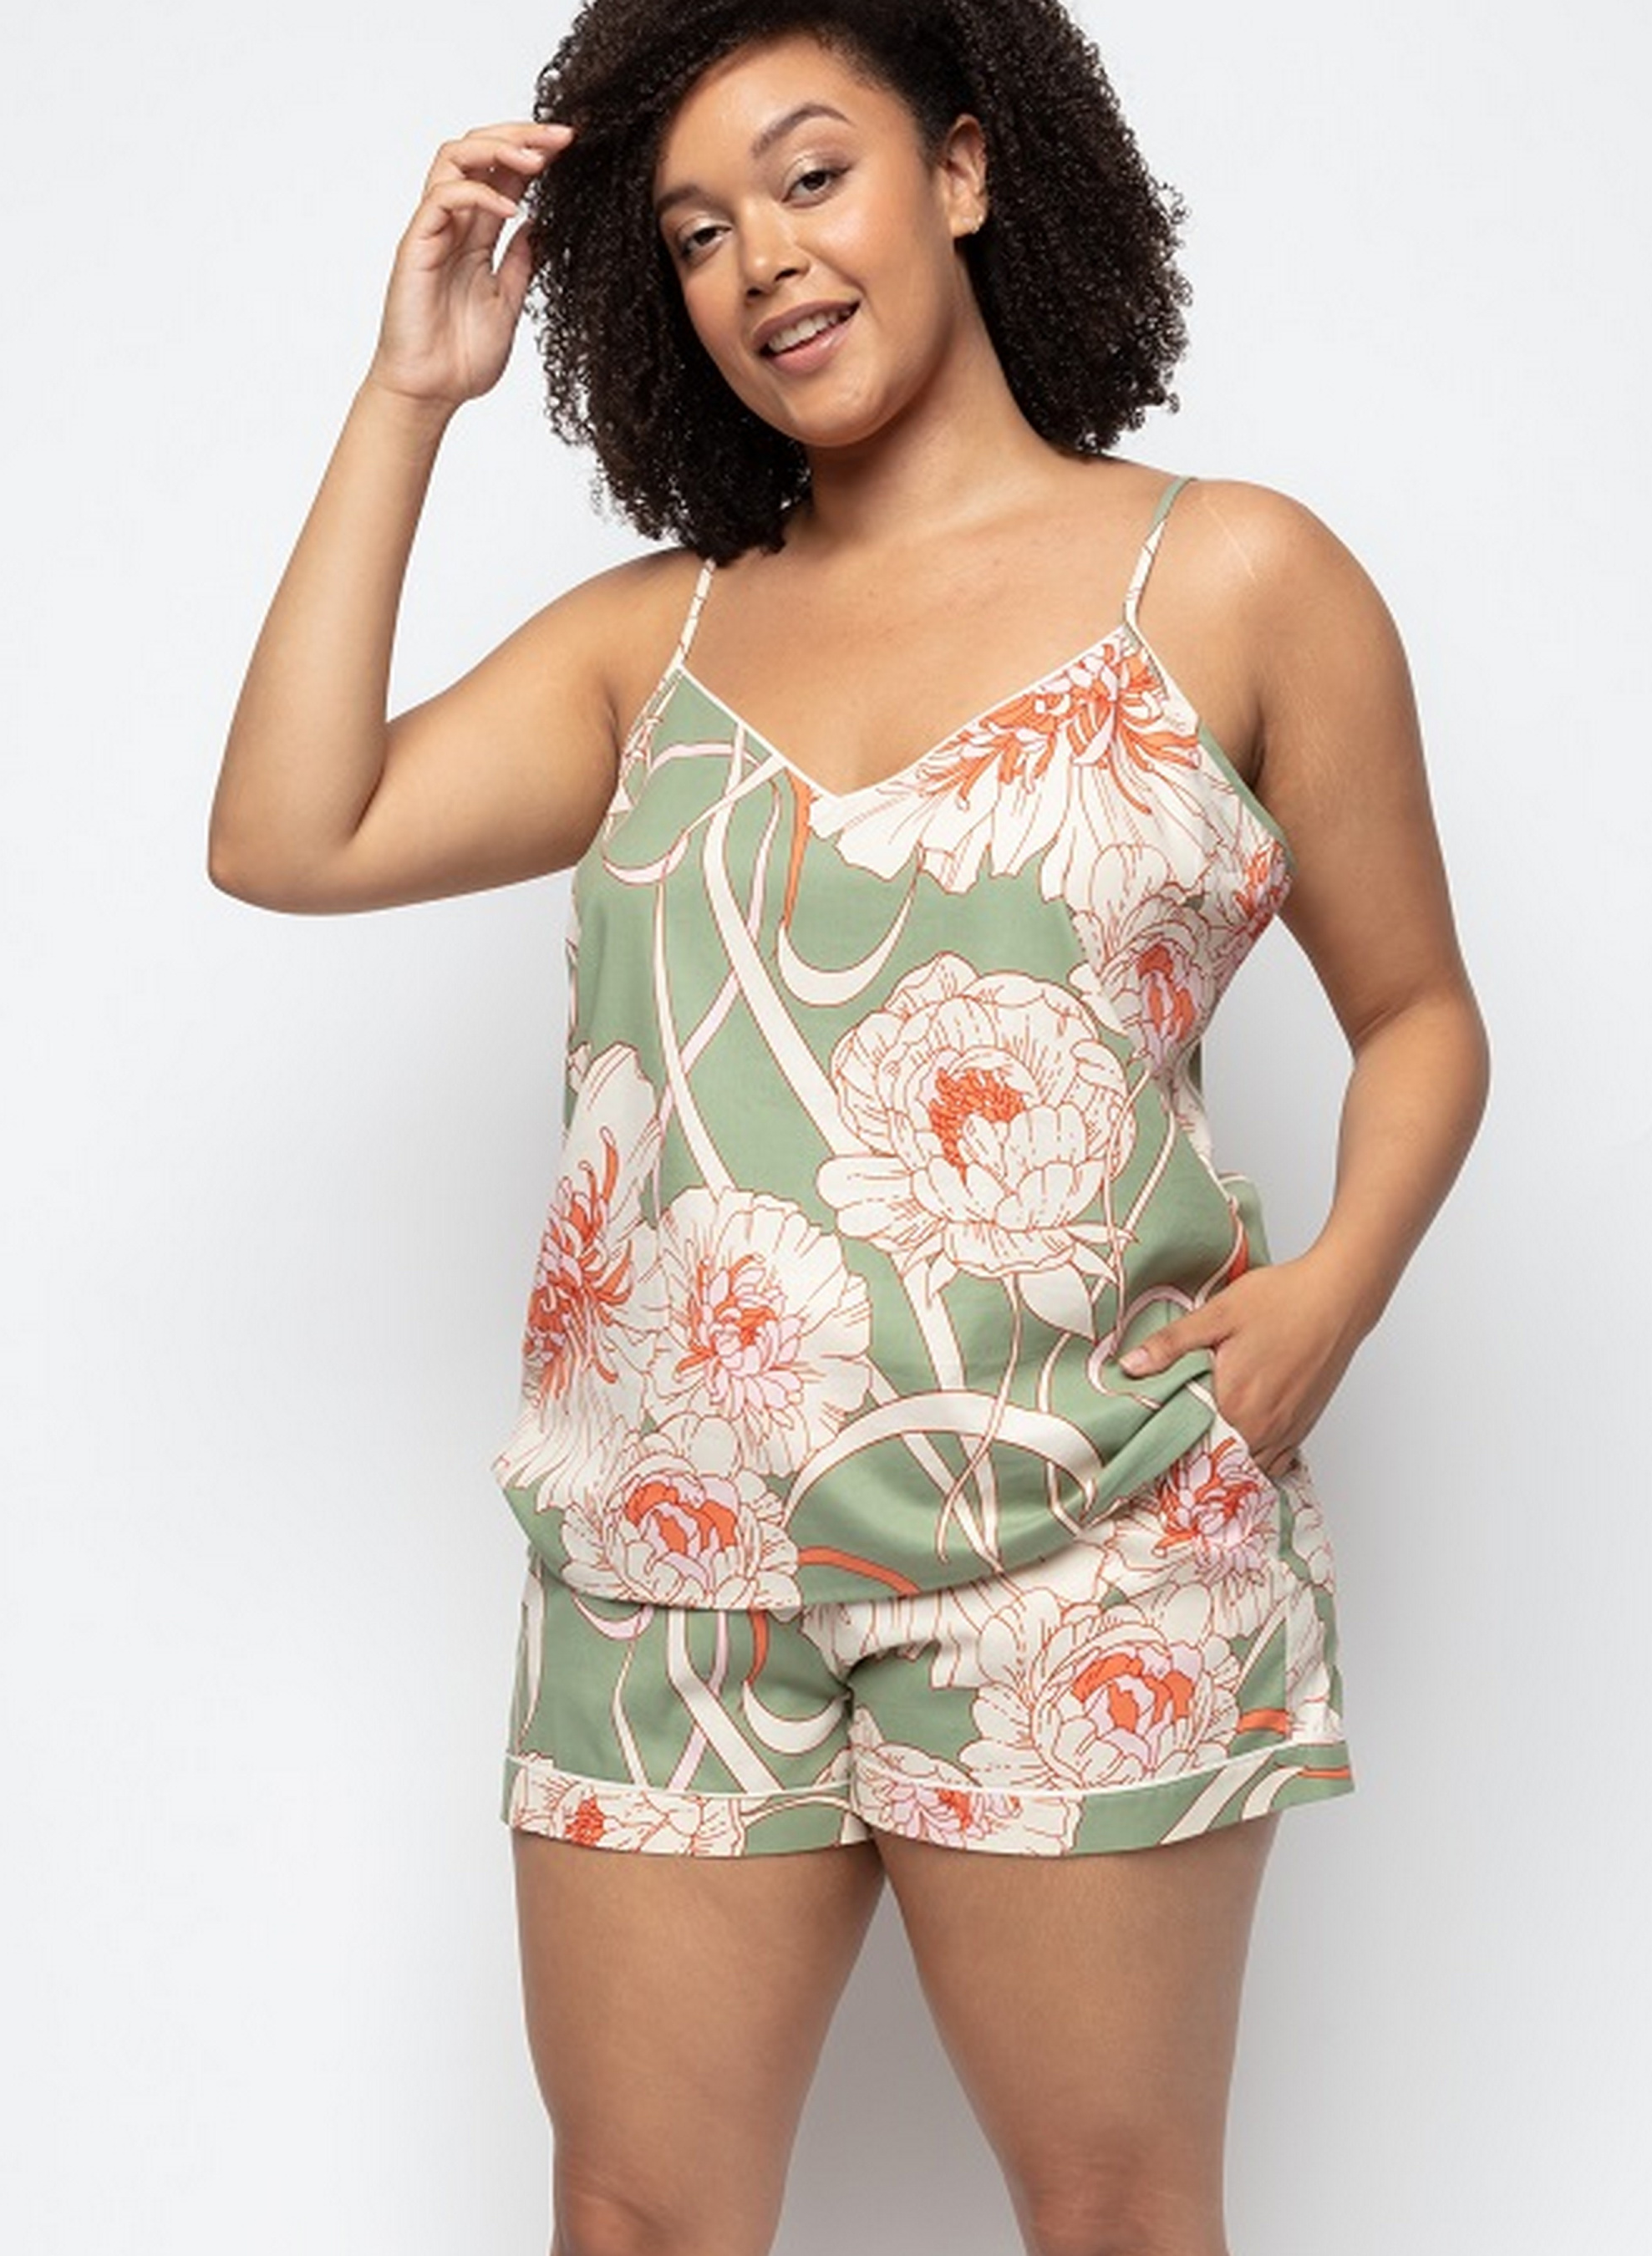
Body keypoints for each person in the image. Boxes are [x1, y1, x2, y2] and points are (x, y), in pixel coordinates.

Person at [209, 1, 1489, 2248]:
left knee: (1111, 2211)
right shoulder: (655, 645)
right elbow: (289, 833)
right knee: (635, 2217)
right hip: (660, 1574)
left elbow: (1416, 1016)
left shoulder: (1233, 579)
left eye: (812, 176)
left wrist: (1330, 1300)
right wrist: (409, 397)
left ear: (966, 171)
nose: (764, 260)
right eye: (696, 231)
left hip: (1085, 1540)